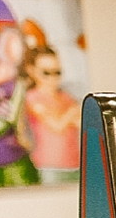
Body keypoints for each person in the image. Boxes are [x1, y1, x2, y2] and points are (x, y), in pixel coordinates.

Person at [21, 46, 81, 184]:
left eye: (57, 72)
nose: (53, 77)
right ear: (32, 71)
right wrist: (70, 113)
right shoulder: (32, 97)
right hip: (50, 167)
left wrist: (64, 116)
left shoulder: (66, 97)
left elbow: (79, 123)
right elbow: (57, 126)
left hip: (75, 163)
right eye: (46, 73)